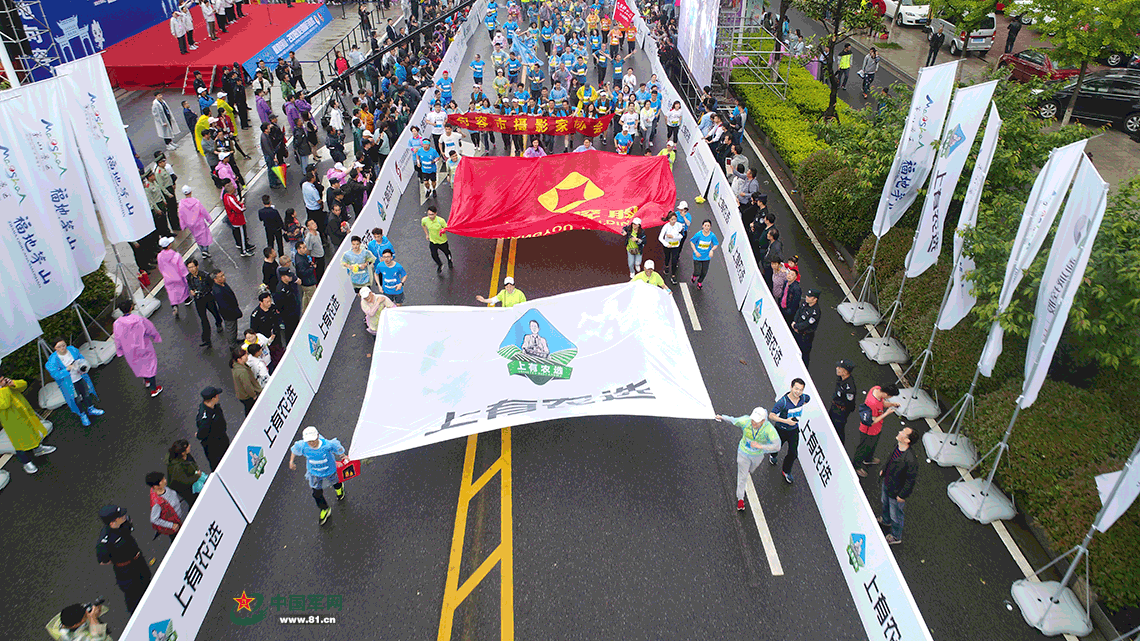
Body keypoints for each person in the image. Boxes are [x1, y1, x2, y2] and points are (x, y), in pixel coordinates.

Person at [715, 407, 780, 511]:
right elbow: (733, 420)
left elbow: (777, 446)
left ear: (763, 421)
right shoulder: (746, 421)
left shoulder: (769, 430)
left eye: (757, 421)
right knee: (742, 476)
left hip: (758, 455)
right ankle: (740, 499)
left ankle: (749, 470)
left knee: (752, 468)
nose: (753, 423)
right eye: (753, 420)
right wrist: (722, 417)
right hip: (743, 453)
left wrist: (761, 447)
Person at [289, 426, 349, 526]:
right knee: (316, 493)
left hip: (330, 471)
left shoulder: (327, 445)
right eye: (309, 441)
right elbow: (294, 449)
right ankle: (325, 509)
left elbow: (337, 448)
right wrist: (291, 461)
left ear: (317, 436)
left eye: (313, 440)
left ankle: (340, 489)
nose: (311, 443)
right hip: (314, 474)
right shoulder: (303, 445)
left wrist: (343, 456)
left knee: (336, 483)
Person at [95, 505, 150, 614]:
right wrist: (121, 560)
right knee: (133, 594)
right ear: (112, 523)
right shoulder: (105, 542)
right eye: (120, 516)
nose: (124, 516)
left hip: (138, 561)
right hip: (126, 571)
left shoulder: (124, 522)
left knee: (146, 581)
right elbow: (103, 560)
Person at [0, 375, 56, 474]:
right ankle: (26, 462)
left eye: (3, 379)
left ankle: (38, 448)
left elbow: (23, 385)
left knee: (32, 432)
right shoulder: (4, 390)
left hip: (24, 415)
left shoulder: (7, 385)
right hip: (12, 422)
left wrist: (13, 383)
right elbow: (5, 403)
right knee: (20, 443)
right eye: (0, 381)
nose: (3, 381)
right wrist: (4, 389)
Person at [45, 339, 103, 427]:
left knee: (86, 394)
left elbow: (80, 357)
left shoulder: (72, 350)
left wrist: (82, 365)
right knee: (76, 399)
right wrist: (66, 370)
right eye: (59, 347)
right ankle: (82, 415)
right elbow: (55, 374)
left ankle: (91, 408)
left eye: (64, 345)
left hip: (80, 377)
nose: (62, 348)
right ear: (55, 348)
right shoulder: (53, 360)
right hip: (69, 383)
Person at [112, 301, 163, 397]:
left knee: (140, 365)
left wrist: (119, 351)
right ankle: (154, 388)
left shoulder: (117, 324)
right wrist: (156, 337)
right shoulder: (139, 319)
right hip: (144, 346)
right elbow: (150, 329)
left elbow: (117, 339)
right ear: (131, 307)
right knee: (149, 365)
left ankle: (146, 380)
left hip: (130, 351)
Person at [768, 378, 810, 484]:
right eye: (796, 388)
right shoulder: (783, 402)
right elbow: (771, 415)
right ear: (791, 387)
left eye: (801, 390)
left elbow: (807, 399)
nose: (798, 392)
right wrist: (785, 421)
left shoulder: (803, 398)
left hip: (793, 430)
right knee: (776, 447)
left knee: (793, 453)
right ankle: (773, 455)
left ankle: (786, 471)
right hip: (781, 429)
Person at [853, 383, 900, 477]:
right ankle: (856, 466)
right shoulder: (872, 403)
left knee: (872, 445)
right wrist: (886, 413)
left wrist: (892, 404)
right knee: (863, 448)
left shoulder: (877, 389)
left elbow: (882, 403)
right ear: (887, 394)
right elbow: (872, 421)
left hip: (876, 429)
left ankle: (868, 459)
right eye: (890, 396)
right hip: (868, 431)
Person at [880, 427, 918, 545]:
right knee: (884, 503)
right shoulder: (897, 447)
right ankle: (886, 521)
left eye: (903, 433)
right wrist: (884, 470)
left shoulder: (910, 460)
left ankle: (896, 536)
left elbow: (910, 480)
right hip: (888, 483)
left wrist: (902, 495)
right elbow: (890, 460)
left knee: (896, 516)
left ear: (907, 441)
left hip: (896, 491)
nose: (899, 432)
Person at [186, 258, 222, 348]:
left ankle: (218, 322)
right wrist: (192, 290)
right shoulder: (189, 277)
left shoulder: (205, 275)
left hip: (208, 297)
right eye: (189, 268)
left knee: (214, 312)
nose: (191, 269)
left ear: (197, 266)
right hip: (198, 300)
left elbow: (211, 286)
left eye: (192, 267)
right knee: (203, 319)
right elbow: (190, 285)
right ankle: (206, 339)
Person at [145, 472, 188, 541]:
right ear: (156, 486)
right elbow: (154, 519)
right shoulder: (157, 503)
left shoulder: (163, 488)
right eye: (162, 480)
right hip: (175, 526)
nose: (165, 480)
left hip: (178, 519)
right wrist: (171, 525)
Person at [155, 237, 191, 318]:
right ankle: (187, 300)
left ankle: (174, 305)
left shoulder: (159, 256)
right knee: (183, 288)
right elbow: (181, 267)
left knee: (172, 293)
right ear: (169, 245)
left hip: (167, 278)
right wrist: (186, 275)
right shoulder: (176, 255)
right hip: (178, 277)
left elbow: (160, 267)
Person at [196, 386, 230, 471]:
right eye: (217, 395)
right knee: (219, 465)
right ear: (213, 398)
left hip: (222, 439)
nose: (218, 396)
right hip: (214, 447)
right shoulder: (205, 418)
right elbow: (201, 434)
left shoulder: (215, 407)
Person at [178, 186, 214, 258]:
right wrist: (209, 219)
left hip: (191, 225)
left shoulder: (181, 204)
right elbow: (203, 211)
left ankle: (202, 251)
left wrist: (183, 226)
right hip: (199, 222)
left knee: (197, 237)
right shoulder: (196, 202)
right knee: (204, 236)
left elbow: (181, 216)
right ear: (191, 192)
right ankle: (205, 250)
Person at [167, 439, 205, 507]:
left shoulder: (186, 455)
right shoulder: (177, 467)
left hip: (192, 482)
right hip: (184, 489)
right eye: (187, 446)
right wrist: (197, 476)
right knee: (193, 502)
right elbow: (185, 481)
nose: (189, 446)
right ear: (182, 452)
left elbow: (193, 464)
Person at [829, 360, 858, 445]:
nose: (837, 368)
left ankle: (840, 446)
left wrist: (843, 410)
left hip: (841, 411)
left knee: (838, 428)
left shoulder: (850, 388)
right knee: (830, 422)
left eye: (840, 368)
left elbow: (850, 403)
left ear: (845, 372)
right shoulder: (840, 378)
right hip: (835, 406)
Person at [211, 269, 243, 345]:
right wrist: (234, 312)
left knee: (234, 328)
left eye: (223, 275)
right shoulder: (218, 291)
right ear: (215, 279)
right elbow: (224, 305)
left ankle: (234, 340)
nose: (224, 277)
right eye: (221, 276)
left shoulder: (223, 284)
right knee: (231, 329)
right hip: (229, 313)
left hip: (232, 310)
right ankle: (232, 345)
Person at [791, 288, 821, 365]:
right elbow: (799, 311)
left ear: (815, 299)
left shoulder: (815, 312)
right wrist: (794, 322)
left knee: (804, 353)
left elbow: (807, 324)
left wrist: (796, 326)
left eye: (809, 297)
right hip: (797, 330)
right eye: (807, 295)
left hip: (805, 336)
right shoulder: (805, 303)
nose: (807, 297)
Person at [422, 205, 453, 274]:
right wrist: (427, 234)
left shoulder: (440, 220)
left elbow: (446, 228)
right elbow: (423, 225)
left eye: (432, 214)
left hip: (442, 241)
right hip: (433, 241)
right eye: (429, 214)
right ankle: (440, 264)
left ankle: (449, 260)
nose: (430, 216)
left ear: (435, 213)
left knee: (447, 252)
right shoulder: (425, 220)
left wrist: (443, 230)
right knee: (434, 255)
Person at [230, 348, 262, 415]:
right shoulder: (242, 372)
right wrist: (253, 395)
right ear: (239, 359)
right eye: (244, 355)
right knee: (251, 411)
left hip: (242, 395)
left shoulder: (236, 366)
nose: (247, 356)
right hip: (247, 396)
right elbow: (247, 386)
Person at [689, 219, 719, 289]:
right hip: (697, 256)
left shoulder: (712, 235)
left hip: (706, 257)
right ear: (702, 226)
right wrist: (695, 251)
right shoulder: (698, 234)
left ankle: (699, 282)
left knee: (704, 272)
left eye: (708, 226)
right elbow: (692, 242)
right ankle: (694, 276)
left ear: (710, 227)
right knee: (697, 271)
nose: (706, 227)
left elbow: (716, 244)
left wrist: (712, 250)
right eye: (705, 225)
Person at [658, 211, 685, 284]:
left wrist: (673, 237)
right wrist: (666, 244)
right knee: (667, 257)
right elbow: (660, 237)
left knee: (674, 260)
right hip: (667, 246)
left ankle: (673, 275)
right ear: (669, 219)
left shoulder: (679, 225)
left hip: (676, 246)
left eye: (675, 219)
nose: (674, 221)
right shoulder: (666, 227)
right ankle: (666, 267)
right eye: (672, 219)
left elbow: (681, 236)